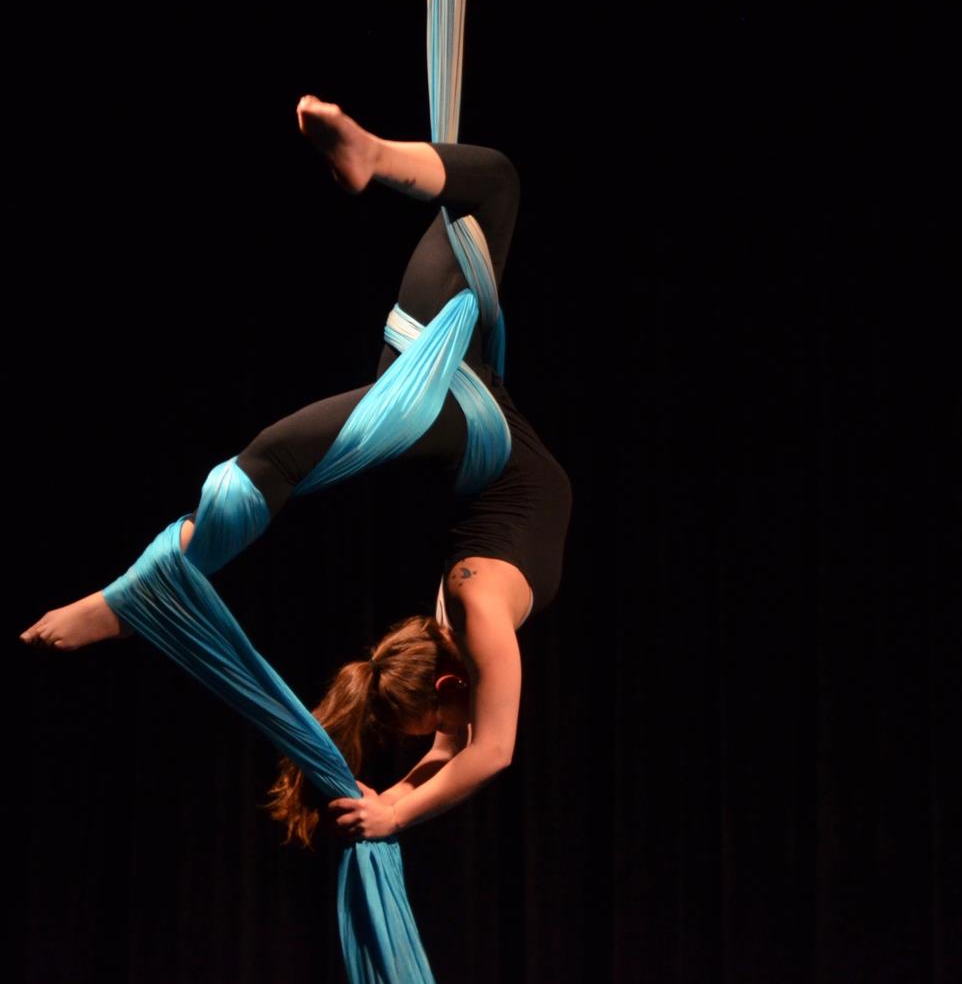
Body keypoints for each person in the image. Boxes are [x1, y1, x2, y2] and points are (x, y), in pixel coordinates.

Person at [20, 97, 573, 844]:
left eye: (430, 721)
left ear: (445, 683)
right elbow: (478, 750)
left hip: (456, 408)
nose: (435, 733)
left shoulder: (469, 614)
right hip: (468, 408)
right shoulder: (471, 611)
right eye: (430, 724)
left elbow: (467, 748)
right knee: (494, 182)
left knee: (274, 458)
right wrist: (389, 811)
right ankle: (372, 155)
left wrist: (389, 809)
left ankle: (132, 602)